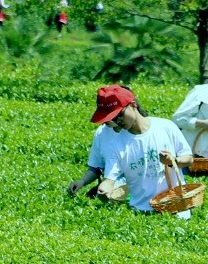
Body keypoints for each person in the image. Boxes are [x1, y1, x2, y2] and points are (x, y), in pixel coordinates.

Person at [66, 84, 195, 216]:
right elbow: (109, 179)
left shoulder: (166, 126)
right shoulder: (116, 144)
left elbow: (189, 159)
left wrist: (172, 161)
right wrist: (104, 190)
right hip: (143, 212)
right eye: (113, 118)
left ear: (133, 105)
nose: (117, 121)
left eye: (120, 115)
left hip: (177, 208)